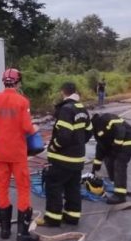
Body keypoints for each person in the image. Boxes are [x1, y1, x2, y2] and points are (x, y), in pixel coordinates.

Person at [0, 68, 39, 241]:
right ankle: (22, 234)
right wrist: (34, 129)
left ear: (3, 81)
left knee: (2, 189)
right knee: (23, 190)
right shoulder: (22, 101)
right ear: (18, 82)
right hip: (17, 154)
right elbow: (27, 128)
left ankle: (5, 231)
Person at [36, 82, 93, 227]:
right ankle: (72, 217)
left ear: (63, 92)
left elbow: (64, 136)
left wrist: (54, 147)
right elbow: (88, 132)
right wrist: (78, 144)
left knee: (53, 186)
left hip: (62, 159)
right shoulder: (82, 108)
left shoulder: (66, 110)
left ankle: (53, 219)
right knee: (72, 188)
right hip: (77, 159)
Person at [91, 113, 131, 204]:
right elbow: (101, 146)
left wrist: (116, 148)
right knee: (108, 159)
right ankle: (114, 185)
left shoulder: (106, 118)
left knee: (119, 164)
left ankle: (120, 196)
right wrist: (97, 162)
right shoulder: (96, 129)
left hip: (129, 141)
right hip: (118, 146)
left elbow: (120, 130)